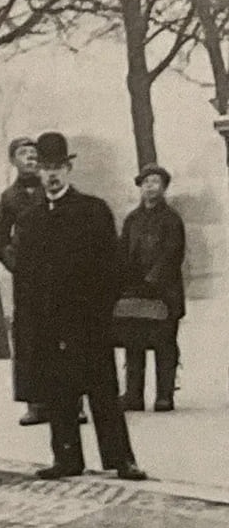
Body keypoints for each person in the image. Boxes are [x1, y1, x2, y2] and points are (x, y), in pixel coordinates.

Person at [14, 133, 146, 481]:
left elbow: (113, 267)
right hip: (50, 324)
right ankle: (67, 458)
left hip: (89, 322)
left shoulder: (93, 211)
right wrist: (32, 323)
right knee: (59, 393)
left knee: (103, 392)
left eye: (58, 167)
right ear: (38, 172)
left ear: (69, 168)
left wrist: (102, 314)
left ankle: (121, 460)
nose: (52, 175)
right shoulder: (30, 220)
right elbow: (25, 279)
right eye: (45, 168)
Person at [118, 164, 186, 412]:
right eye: (146, 182)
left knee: (164, 343)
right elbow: (123, 252)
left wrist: (152, 280)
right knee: (133, 343)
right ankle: (133, 395)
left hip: (165, 293)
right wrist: (126, 281)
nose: (150, 187)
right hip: (135, 292)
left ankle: (164, 396)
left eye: (155, 182)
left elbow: (172, 254)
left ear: (164, 187)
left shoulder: (172, 220)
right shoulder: (132, 220)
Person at [0, 135, 49, 426]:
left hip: (58, 276)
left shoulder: (51, 189)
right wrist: (18, 266)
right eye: (23, 153)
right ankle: (35, 403)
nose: (29, 157)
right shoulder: (9, 197)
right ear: (13, 161)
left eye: (33, 153)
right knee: (28, 339)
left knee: (63, 336)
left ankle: (72, 401)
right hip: (27, 281)